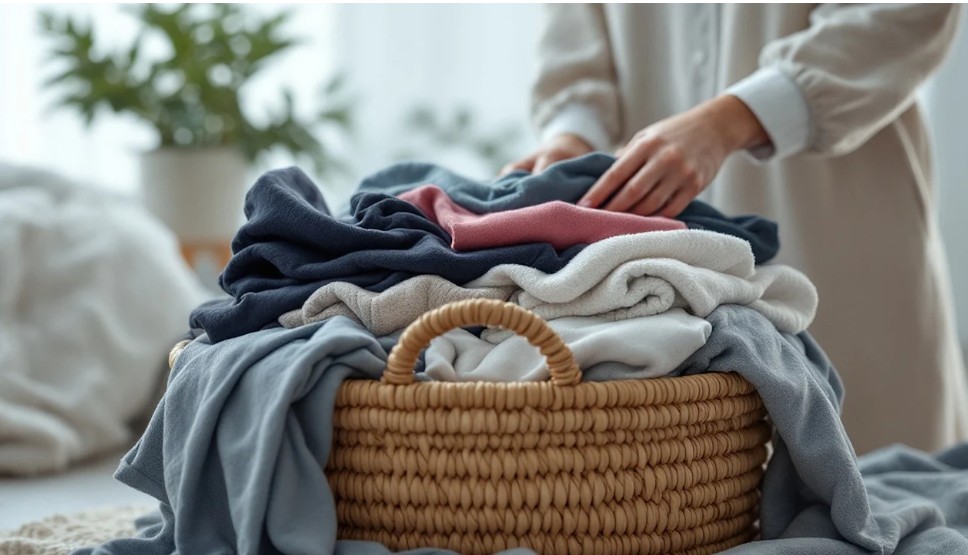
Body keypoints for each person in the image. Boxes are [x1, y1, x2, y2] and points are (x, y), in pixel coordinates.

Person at [505, 4, 968, 455]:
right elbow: (577, 33)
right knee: (712, 488)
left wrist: (730, 120)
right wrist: (571, 137)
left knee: (893, 480)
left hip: (843, 232)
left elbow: (904, 13)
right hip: (664, 261)